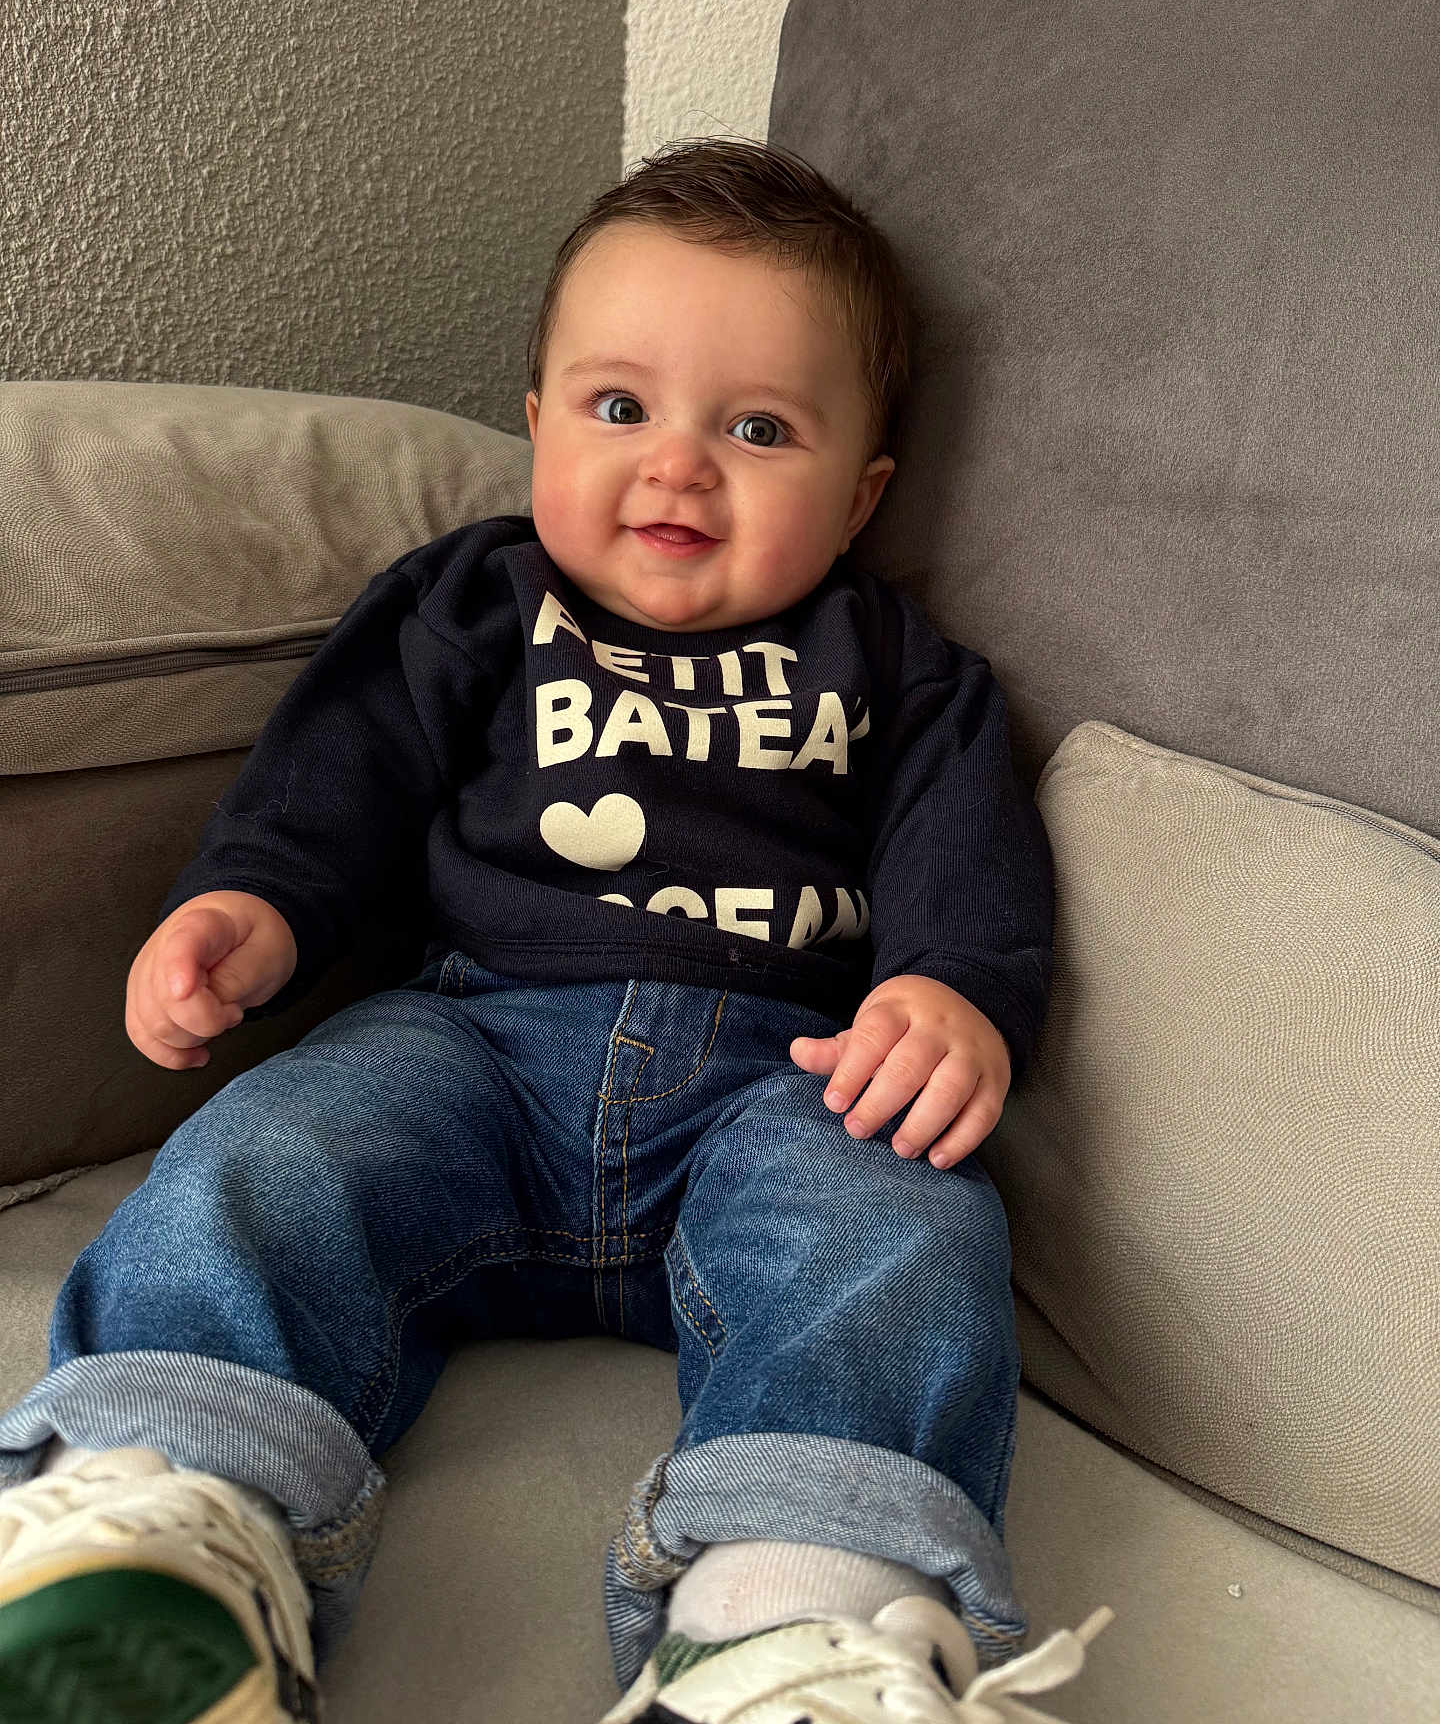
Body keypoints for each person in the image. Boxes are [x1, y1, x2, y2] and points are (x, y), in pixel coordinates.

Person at [0, 137, 1113, 1723]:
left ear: (863, 490)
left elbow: (968, 856)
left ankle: (798, 1615)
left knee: (905, 1230)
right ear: (536, 424)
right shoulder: (471, 602)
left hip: (787, 1080)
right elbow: (338, 777)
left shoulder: (901, 667)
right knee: (271, 1154)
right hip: (470, 1041)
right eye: (618, 407)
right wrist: (253, 907)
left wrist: (950, 991)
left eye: (758, 428)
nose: (678, 468)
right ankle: (158, 1527)